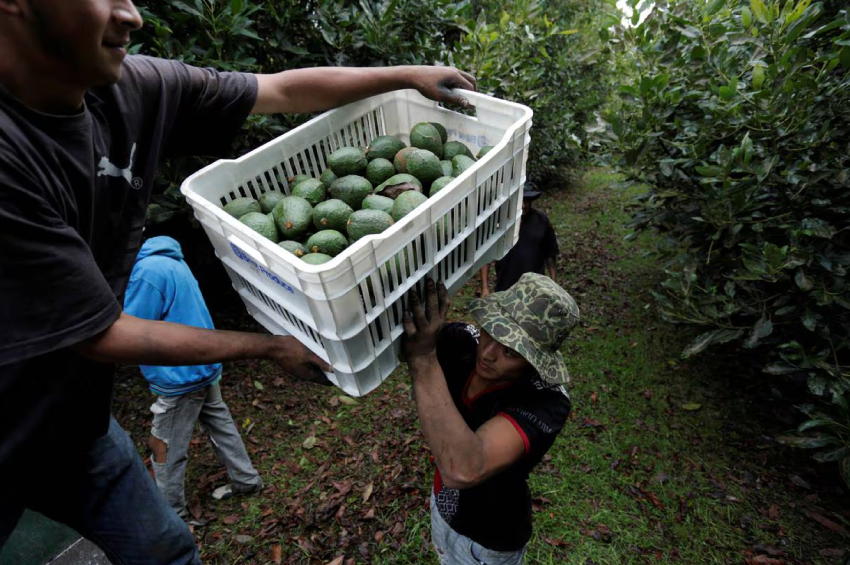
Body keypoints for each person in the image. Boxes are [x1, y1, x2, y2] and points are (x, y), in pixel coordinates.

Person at [0, 0, 476, 563]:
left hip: (74, 425)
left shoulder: (132, 86)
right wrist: (270, 347)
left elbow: (279, 91)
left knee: (167, 550)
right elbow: (99, 333)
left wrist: (404, 76)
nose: (131, 15)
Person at [403, 274, 579, 564]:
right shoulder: (464, 341)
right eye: (491, 332)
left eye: (510, 351)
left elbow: (463, 469)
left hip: (489, 536)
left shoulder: (546, 401)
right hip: (445, 507)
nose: (487, 353)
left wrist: (423, 360)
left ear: (535, 360)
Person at [123, 236, 264, 522]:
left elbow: (132, 332)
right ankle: (246, 480)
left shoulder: (145, 274)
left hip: (181, 377)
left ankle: (173, 516)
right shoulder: (168, 258)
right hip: (202, 365)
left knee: (163, 444)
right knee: (219, 423)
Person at [479, 183, 559, 296]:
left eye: (527, 200)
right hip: (506, 288)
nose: (523, 205)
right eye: (519, 200)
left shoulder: (541, 220)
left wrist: (553, 284)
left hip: (535, 289)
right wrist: (485, 288)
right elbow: (485, 258)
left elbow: (550, 255)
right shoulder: (499, 223)